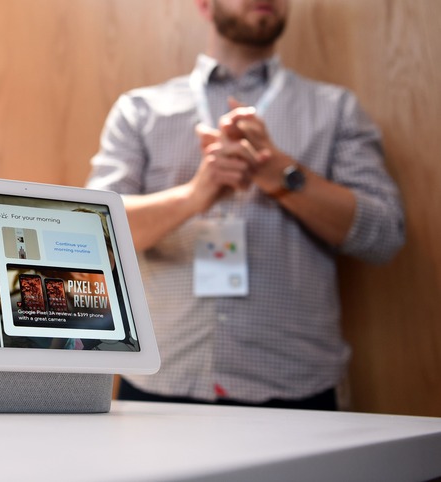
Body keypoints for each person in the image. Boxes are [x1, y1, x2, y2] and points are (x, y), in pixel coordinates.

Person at [86, 0, 404, 410]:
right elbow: (94, 238)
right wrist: (194, 196)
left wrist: (284, 176)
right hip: (162, 382)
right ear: (204, 4)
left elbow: (384, 236)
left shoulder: (336, 109)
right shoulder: (140, 110)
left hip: (296, 386)